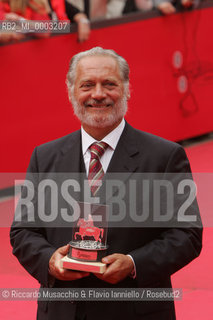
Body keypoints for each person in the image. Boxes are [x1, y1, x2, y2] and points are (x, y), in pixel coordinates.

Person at [10, 47, 202, 320]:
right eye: (87, 85)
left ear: (126, 89)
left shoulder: (164, 157)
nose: (98, 94)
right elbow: (23, 231)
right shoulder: (45, 156)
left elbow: (188, 235)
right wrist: (50, 261)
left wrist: (134, 263)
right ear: (71, 91)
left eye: (109, 84)